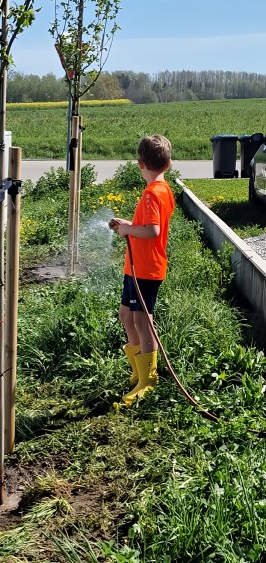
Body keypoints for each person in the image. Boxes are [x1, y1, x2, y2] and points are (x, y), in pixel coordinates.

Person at [109, 134, 175, 406]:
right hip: (137, 269)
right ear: (168, 164)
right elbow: (147, 227)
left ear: (140, 164)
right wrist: (128, 224)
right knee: (126, 315)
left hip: (146, 270)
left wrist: (126, 230)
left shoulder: (151, 194)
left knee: (142, 321)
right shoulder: (163, 190)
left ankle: (148, 380)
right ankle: (139, 371)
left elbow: (153, 230)